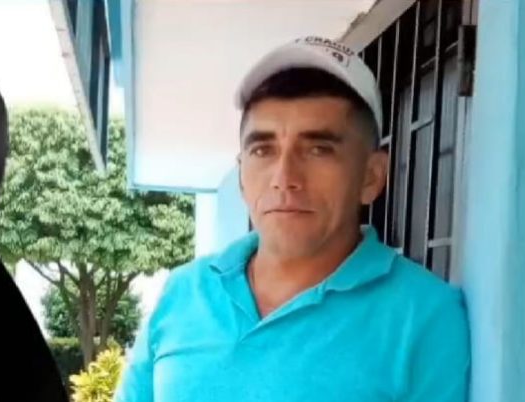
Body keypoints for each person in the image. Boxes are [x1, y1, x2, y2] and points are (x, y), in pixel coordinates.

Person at [114, 36, 470, 402]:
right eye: (262, 150)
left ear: (371, 176)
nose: (284, 177)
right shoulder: (185, 291)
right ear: (241, 174)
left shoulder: (425, 316)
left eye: (318, 149)